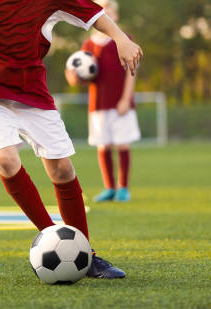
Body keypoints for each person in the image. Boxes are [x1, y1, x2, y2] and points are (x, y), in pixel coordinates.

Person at [0, 0, 142, 278]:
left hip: (33, 92)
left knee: (62, 168)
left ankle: (85, 254)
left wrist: (120, 38)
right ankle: (52, 238)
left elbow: (94, 14)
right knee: (6, 160)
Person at [65, 0, 140, 202]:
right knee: (103, 146)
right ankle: (109, 188)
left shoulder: (124, 40)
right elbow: (78, 74)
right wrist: (73, 78)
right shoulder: (89, 45)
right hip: (97, 105)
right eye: (102, 11)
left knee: (122, 144)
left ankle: (123, 188)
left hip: (120, 104)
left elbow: (132, 73)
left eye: (110, 11)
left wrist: (126, 98)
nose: (106, 14)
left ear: (115, 16)